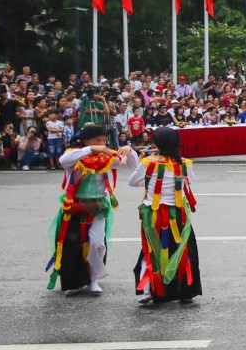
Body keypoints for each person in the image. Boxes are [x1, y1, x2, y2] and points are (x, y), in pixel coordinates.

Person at [47, 124, 138, 295]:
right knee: (73, 246)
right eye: (98, 140)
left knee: (97, 244)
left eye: (104, 140)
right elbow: (63, 161)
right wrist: (91, 149)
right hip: (73, 207)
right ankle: (75, 283)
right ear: (87, 141)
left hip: (97, 207)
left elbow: (133, 165)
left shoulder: (107, 159)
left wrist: (129, 150)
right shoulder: (74, 156)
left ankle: (93, 279)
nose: (103, 144)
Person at [128, 127, 202, 304]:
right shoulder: (184, 162)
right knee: (183, 249)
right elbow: (188, 181)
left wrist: (150, 181)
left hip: (154, 212)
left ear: (157, 144)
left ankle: (148, 290)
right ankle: (186, 290)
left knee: (152, 249)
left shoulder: (148, 162)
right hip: (177, 212)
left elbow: (133, 182)